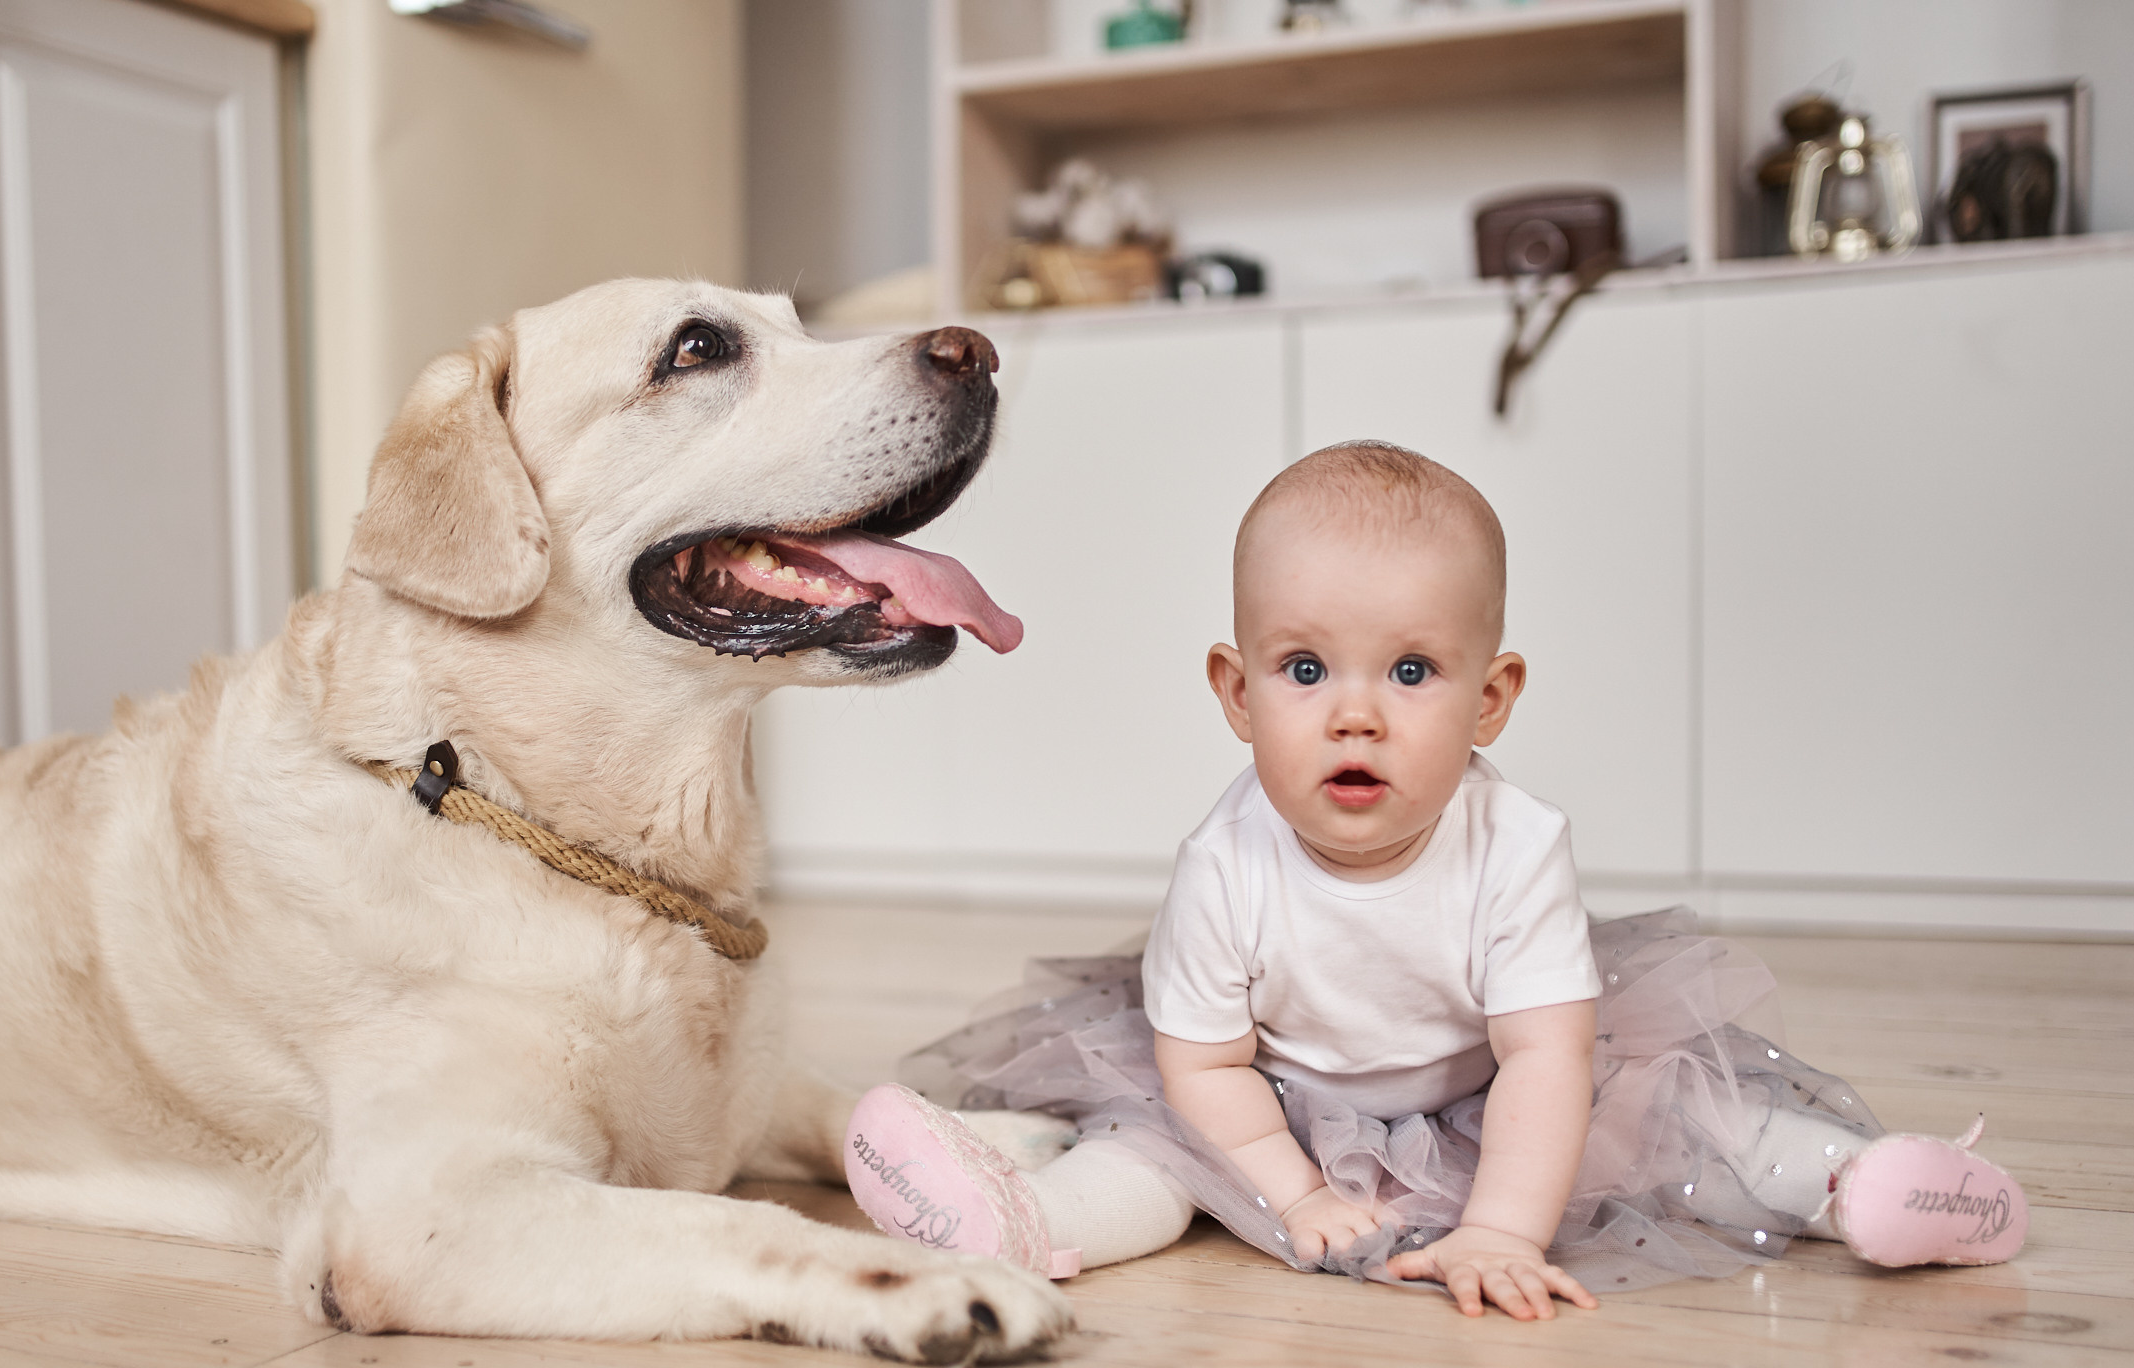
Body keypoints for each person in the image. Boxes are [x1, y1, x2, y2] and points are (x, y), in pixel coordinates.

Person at [841, 441, 2029, 1318]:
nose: (1354, 711)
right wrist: (1293, 1190)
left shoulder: (1513, 847)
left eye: (1411, 670)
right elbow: (1203, 1066)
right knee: (1157, 1152)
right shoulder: (1223, 862)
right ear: (1237, 693)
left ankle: (1868, 1184)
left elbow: (1542, 1059)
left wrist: (1500, 1229)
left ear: (1490, 699)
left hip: (1488, 1094)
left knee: (1670, 1117)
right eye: (1305, 667)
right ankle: (1018, 1222)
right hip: (1275, 1096)